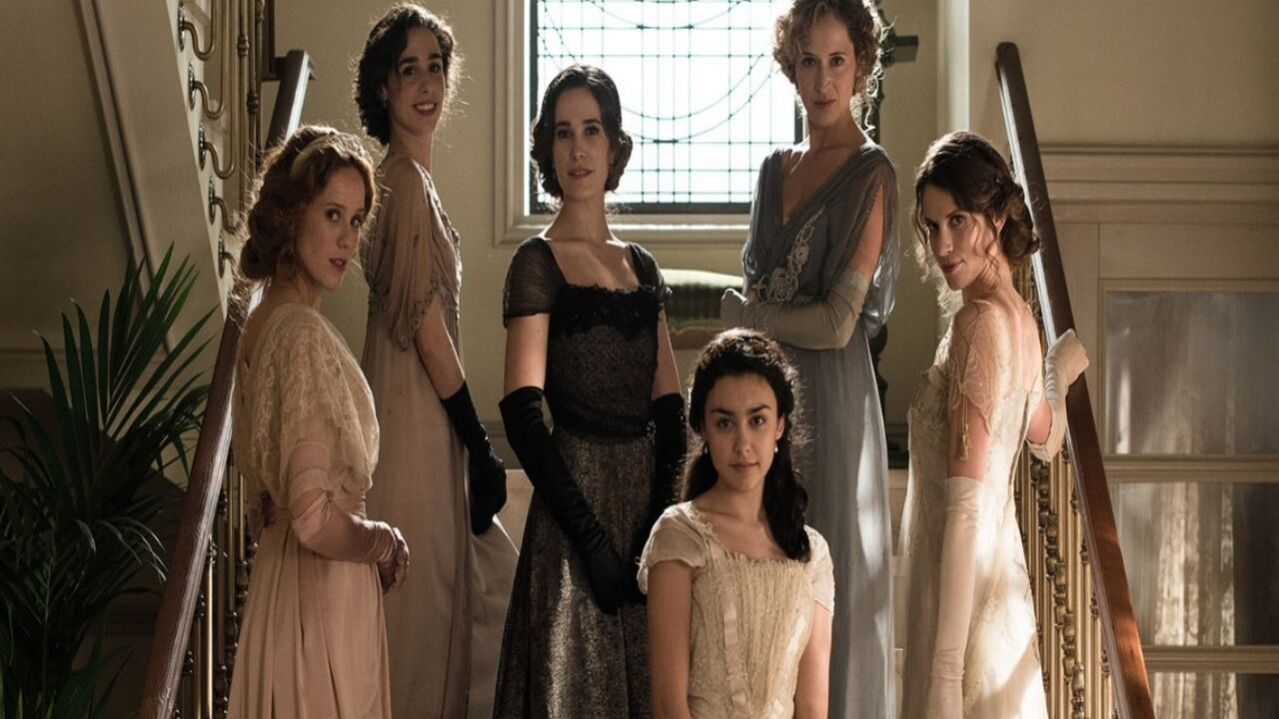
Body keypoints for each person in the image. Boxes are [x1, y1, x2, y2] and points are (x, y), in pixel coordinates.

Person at [719, 1, 897, 714]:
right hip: (762, 402)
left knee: (828, 580)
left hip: (831, 400)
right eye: (808, 62)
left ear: (861, 67)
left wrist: (749, 315)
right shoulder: (772, 170)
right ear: (789, 68)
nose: (822, 81)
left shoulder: (872, 174)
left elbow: (835, 321)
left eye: (837, 61)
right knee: (759, 578)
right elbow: (757, 288)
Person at [494, 64, 685, 718]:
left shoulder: (642, 265)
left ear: (614, 145)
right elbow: (522, 414)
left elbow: (670, 408)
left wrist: (658, 525)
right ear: (547, 149)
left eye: (592, 130)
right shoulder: (536, 262)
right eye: (563, 132)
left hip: (645, 504)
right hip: (572, 512)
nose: (578, 149)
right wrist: (591, 542)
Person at [354, 5, 517, 717]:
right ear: (383, 88)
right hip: (415, 423)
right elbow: (425, 330)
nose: (426, 84)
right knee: (420, 616)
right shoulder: (403, 183)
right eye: (408, 69)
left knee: (436, 611)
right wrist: (477, 437)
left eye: (436, 67)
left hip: (420, 418)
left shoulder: (408, 180)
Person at [898, 131, 1088, 718]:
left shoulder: (979, 324)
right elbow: (1045, 437)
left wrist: (944, 677)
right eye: (932, 226)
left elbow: (965, 508)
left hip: (962, 605)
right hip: (990, 591)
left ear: (998, 216)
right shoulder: (1020, 319)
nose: (942, 244)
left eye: (957, 220)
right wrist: (1058, 370)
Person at [228, 125, 408, 718]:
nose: (347, 239)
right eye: (332, 214)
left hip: (280, 590)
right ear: (291, 215)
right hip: (320, 601)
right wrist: (382, 542)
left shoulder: (263, 326)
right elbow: (310, 516)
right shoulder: (301, 334)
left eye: (356, 220)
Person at [642, 329, 835, 719]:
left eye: (757, 420)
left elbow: (813, 708)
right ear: (703, 429)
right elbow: (667, 706)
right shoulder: (680, 534)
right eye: (725, 423)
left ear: (780, 425)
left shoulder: (812, 554)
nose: (743, 444)